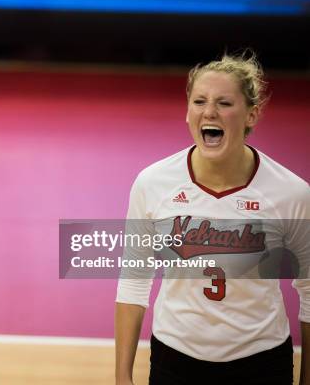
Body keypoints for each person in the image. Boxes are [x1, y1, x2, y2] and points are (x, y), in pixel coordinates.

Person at [115, 52, 309, 385]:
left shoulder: (291, 193)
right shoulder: (153, 183)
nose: (209, 112)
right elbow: (134, 279)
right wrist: (122, 376)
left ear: (252, 114)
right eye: (199, 101)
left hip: (260, 362)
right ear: (187, 111)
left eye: (224, 103)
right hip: (175, 358)